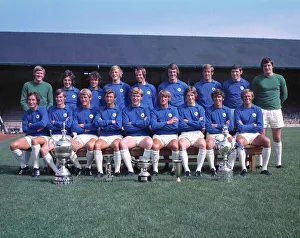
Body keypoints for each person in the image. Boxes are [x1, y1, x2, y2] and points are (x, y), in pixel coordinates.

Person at [251, 57, 288, 168]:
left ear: (272, 66)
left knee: (277, 138)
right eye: (265, 66)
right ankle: (261, 163)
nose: (267, 67)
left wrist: (277, 104)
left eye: (269, 65)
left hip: (276, 110)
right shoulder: (257, 79)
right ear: (262, 67)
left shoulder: (279, 78)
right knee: (262, 137)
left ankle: (278, 162)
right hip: (261, 111)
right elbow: (253, 95)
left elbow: (284, 94)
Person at [32, 89, 78, 176]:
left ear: (64, 98)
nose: (58, 99)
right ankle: (57, 171)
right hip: (53, 136)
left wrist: (55, 122)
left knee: (69, 148)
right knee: (43, 150)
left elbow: (68, 126)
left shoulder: (69, 110)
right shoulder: (51, 109)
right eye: (57, 97)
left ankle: (77, 167)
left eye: (60, 97)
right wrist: (62, 123)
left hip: (66, 136)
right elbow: (49, 125)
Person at [20, 66, 53, 169]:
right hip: (31, 114)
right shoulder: (27, 85)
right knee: (29, 138)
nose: (39, 75)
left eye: (41, 73)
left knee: (43, 140)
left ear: (44, 75)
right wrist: (30, 111)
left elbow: (50, 102)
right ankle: (24, 165)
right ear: (34, 74)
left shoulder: (48, 86)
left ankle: (45, 165)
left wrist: (44, 114)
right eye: (37, 73)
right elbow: (23, 100)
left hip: (43, 115)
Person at [234, 89, 272, 176]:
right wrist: (253, 125)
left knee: (267, 141)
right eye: (245, 96)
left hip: (255, 135)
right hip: (243, 135)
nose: (247, 98)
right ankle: (244, 169)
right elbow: (239, 128)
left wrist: (245, 127)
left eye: (249, 96)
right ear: (242, 97)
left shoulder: (257, 109)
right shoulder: (238, 110)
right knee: (240, 141)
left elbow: (260, 126)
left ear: (252, 97)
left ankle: (264, 168)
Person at [10, 92, 49, 176]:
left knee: (35, 141)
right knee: (13, 145)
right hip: (31, 136)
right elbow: (25, 129)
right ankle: (24, 166)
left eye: (33, 100)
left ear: (37, 101)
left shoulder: (42, 109)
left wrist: (31, 125)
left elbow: (44, 123)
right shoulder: (26, 113)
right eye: (29, 100)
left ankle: (36, 168)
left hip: (44, 136)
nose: (31, 102)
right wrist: (36, 129)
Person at [119, 87, 153, 176]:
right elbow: (127, 127)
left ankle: (143, 168)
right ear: (130, 97)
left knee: (149, 142)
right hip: (131, 136)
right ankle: (130, 170)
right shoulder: (126, 110)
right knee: (122, 143)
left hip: (144, 136)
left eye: (137, 96)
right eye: (133, 96)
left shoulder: (146, 108)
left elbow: (147, 124)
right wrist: (141, 124)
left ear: (141, 97)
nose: (135, 98)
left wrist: (133, 123)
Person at [91, 89, 123, 178]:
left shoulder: (119, 110)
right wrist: (111, 122)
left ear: (115, 98)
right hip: (103, 136)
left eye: (111, 97)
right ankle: (100, 171)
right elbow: (96, 123)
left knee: (117, 145)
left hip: (116, 135)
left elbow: (118, 125)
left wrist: (103, 124)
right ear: (104, 98)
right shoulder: (100, 109)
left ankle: (117, 171)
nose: (109, 98)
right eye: (107, 97)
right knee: (97, 145)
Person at [178, 86, 206, 177]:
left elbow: (202, 125)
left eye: (192, 95)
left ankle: (198, 170)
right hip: (185, 134)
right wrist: (196, 123)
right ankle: (186, 170)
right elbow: (181, 125)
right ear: (185, 96)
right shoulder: (180, 108)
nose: (190, 97)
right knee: (182, 145)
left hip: (197, 134)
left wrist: (188, 122)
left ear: (195, 96)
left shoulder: (200, 108)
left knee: (203, 144)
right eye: (188, 95)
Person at [205, 89, 234, 176]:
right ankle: (212, 168)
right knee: (209, 143)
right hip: (212, 134)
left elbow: (231, 127)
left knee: (232, 141)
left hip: (224, 134)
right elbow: (209, 128)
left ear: (222, 98)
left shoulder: (227, 110)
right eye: (215, 97)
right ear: (212, 99)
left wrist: (217, 125)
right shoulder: (208, 110)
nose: (217, 99)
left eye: (219, 97)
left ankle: (229, 167)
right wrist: (224, 125)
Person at [151, 90, 179, 175]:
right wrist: (167, 122)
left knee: (175, 145)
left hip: (172, 135)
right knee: (155, 146)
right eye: (161, 97)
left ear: (168, 98)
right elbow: (153, 125)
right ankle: (155, 170)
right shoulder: (154, 110)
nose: (163, 99)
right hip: (159, 136)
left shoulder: (174, 109)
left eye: (165, 97)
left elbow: (175, 126)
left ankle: (174, 169)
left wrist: (160, 124)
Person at [71, 88, 98, 176]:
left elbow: (96, 126)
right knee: (70, 147)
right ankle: (78, 167)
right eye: (81, 98)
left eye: (85, 97)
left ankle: (88, 167)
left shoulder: (95, 110)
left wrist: (84, 126)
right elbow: (74, 127)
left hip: (93, 136)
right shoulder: (76, 110)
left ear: (90, 98)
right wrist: (85, 129)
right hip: (80, 136)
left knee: (91, 146)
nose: (83, 100)